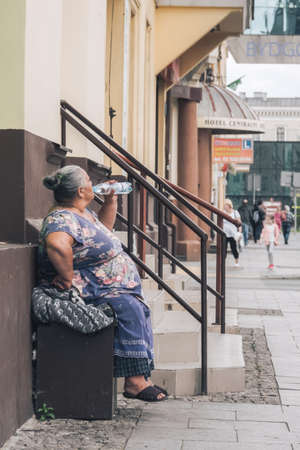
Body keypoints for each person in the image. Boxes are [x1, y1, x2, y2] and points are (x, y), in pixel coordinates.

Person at [38, 165, 167, 402]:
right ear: (80, 190)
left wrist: (110, 202)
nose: (92, 183)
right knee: (128, 308)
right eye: (88, 180)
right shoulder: (62, 218)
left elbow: (103, 232)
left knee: (134, 307)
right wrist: (66, 277)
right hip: (94, 290)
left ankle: (141, 377)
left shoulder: (81, 214)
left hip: (110, 286)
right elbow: (57, 244)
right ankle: (134, 383)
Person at [223, 198, 242, 267]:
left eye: (225, 205)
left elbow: (239, 224)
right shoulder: (222, 212)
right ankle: (222, 262)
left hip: (233, 234)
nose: (224, 206)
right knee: (223, 249)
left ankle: (236, 262)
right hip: (224, 233)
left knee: (233, 248)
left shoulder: (235, 212)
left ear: (229, 205)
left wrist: (239, 233)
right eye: (224, 205)